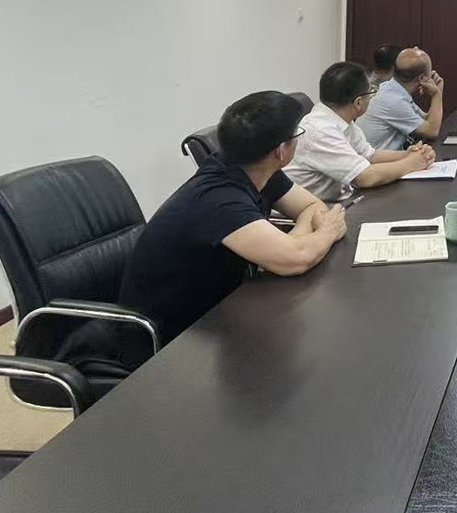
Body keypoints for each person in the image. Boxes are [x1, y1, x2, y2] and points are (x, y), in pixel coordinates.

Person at [117, 91, 347, 360]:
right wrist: (326, 232)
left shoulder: (256, 168)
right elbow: (296, 260)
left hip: (218, 313)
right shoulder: (219, 198)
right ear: (281, 150)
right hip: (166, 343)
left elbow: (310, 208)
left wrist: (295, 241)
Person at [284, 61, 438, 202]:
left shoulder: (341, 119)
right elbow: (365, 177)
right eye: (371, 93)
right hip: (315, 210)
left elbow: (369, 155)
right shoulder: (320, 130)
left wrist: (408, 154)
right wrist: (412, 163)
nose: (372, 97)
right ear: (358, 102)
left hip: (341, 200)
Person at [360, 46, 444, 149]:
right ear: (422, 78)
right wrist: (436, 95)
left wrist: (438, 93)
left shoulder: (393, 89)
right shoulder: (393, 100)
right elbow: (432, 131)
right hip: (373, 158)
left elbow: (426, 121)